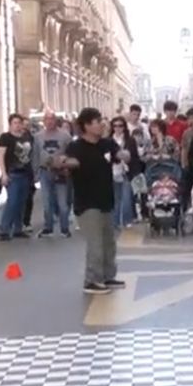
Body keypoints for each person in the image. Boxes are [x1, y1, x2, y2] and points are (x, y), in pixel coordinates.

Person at [66, 108, 124, 295]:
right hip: (87, 203)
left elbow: (120, 154)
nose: (101, 125)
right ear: (86, 125)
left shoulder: (107, 144)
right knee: (95, 244)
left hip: (106, 199)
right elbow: (70, 161)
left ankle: (107, 276)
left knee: (109, 242)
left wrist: (124, 155)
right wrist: (66, 163)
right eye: (97, 121)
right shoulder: (76, 147)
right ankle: (92, 280)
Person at [0, 113, 36, 241]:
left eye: (20, 123)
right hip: (12, 173)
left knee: (21, 202)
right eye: (15, 123)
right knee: (12, 201)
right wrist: (3, 174)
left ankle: (18, 229)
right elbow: (1, 156)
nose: (18, 125)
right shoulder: (5, 137)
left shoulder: (27, 137)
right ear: (10, 124)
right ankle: (4, 229)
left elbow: (31, 156)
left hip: (26, 173)